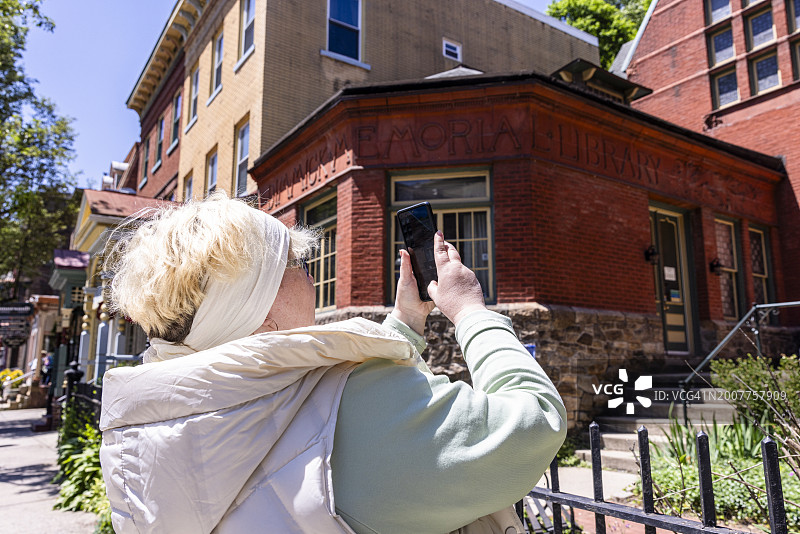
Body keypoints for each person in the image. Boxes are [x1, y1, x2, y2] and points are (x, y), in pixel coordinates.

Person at [99, 193, 566, 534]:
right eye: (294, 263)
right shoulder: (359, 407)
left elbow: (295, 401)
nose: (310, 275)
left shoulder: (151, 434)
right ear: (254, 310)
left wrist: (404, 321)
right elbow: (533, 424)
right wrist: (470, 311)